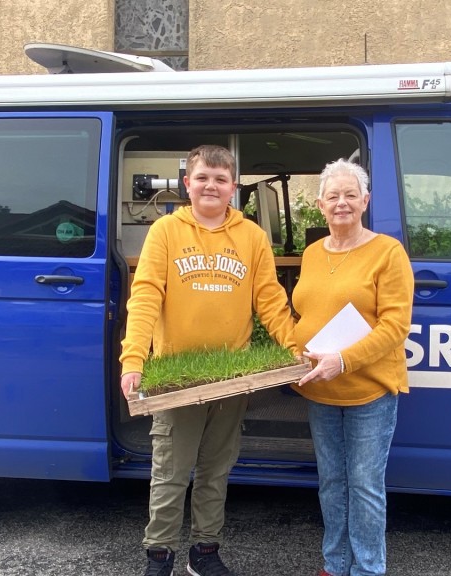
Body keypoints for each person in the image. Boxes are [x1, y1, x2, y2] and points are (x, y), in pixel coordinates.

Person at [119, 144, 296, 576]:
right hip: (178, 381)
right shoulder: (165, 231)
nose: (211, 186)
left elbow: (270, 300)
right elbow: (145, 297)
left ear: (233, 187)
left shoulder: (251, 235)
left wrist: (296, 349)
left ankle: (204, 551)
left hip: (231, 378)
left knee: (216, 470)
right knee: (171, 473)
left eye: (220, 179)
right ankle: (159, 554)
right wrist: (133, 358)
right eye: (202, 178)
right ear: (187, 184)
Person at [292, 158, 414, 576]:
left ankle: (366, 569)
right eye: (332, 196)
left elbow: (396, 326)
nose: (341, 203)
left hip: (369, 391)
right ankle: (335, 564)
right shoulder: (310, 254)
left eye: (350, 194)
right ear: (320, 205)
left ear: (365, 200)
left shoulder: (387, 252)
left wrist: (343, 360)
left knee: (364, 487)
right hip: (320, 392)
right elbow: (303, 315)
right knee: (332, 484)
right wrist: (294, 351)